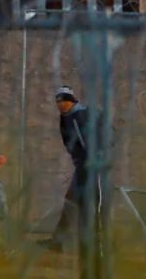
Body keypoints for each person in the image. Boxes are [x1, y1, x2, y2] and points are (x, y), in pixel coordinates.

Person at [41, 87, 104, 253]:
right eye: (58, 101)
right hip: (82, 166)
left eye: (63, 100)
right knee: (71, 201)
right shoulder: (66, 117)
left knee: (91, 204)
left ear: (71, 100)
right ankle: (58, 241)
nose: (60, 104)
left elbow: (88, 142)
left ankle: (97, 244)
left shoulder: (80, 116)